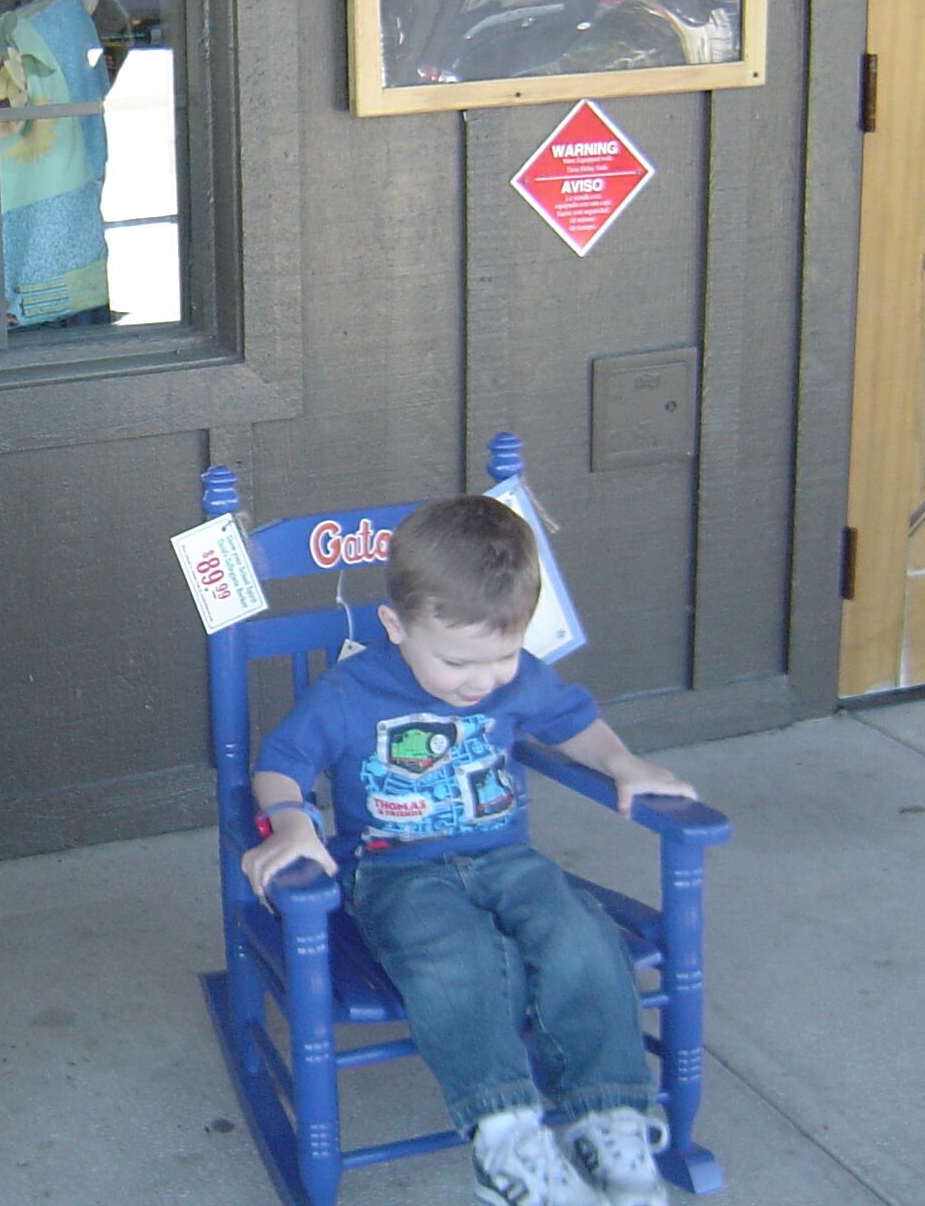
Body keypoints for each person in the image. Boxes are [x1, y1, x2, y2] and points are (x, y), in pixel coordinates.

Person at [240, 495, 698, 1206]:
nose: (483, 682)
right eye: (457, 662)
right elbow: (281, 762)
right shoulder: (351, 691)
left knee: (580, 935)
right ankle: (506, 1141)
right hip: (395, 871)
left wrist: (621, 762)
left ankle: (609, 1117)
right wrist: (293, 821)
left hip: (507, 859)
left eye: (504, 658)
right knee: (457, 954)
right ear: (396, 626)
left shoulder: (517, 677)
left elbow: (570, 720)